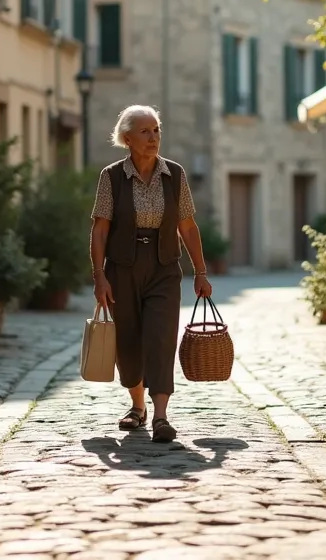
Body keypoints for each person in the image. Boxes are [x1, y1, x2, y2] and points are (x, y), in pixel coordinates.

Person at [90, 105, 214, 443]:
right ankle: (137, 406)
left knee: (160, 337)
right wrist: (100, 277)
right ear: (127, 139)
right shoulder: (112, 176)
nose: (153, 137)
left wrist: (200, 272)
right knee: (128, 340)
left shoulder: (175, 174)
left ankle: (161, 416)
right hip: (122, 267)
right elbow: (100, 230)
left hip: (163, 266)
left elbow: (187, 226)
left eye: (156, 130)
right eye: (145, 132)